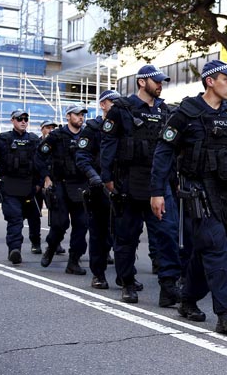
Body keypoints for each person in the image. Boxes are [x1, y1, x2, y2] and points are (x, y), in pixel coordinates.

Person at [150, 59, 227, 334]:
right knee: (216, 247)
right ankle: (226, 313)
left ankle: (187, 297)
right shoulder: (187, 112)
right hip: (198, 190)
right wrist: (157, 191)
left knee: (205, 252)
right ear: (210, 81)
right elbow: (164, 151)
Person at [100, 64, 181, 305]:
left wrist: (174, 181)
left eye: (161, 82)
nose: (160, 85)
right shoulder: (121, 109)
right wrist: (108, 179)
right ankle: (127, 282)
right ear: (142, 82)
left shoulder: (166, 111)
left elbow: (171, 150)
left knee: (167, 234)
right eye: (156, 81)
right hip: (129, 181)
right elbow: (108, 144)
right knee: (127, 237)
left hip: (159, 183)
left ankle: (168, 287)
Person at [0, 110, 42, 263]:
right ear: (12, 121)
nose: (23, 121)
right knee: (15, 218)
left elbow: (42, 164)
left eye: (26, 119)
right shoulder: (3, 139)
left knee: (32, 217)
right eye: (20, 119)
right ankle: (14, 249)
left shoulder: (34, 140)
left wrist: (40, 183)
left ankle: (36, 243)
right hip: (9, 186)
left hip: (29, 187)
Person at [37, 105, 90, 275]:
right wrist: (46, 176)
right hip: (60, 184)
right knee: (60, 224)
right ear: (68, 116)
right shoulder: (56, 136)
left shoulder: (87, 135)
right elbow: (39, 156)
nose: (80, 117)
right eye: (77, 114)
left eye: (82, 115)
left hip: (81, 185)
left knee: (81, 225)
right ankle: (51, 248)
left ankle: (73, 261)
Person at [76, 90, 121, 289]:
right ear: (103, 105)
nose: (117, 106)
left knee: (125, 234)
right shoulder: (93, 129)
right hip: (98, 189)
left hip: (121, 187)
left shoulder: (125, 126)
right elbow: (82, 158)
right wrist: (96, 178)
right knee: (99, 234)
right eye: (113, 102)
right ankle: (98, 274)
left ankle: (125, 275)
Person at [37, 120, 66, 256]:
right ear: (42, 129)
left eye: (52, 128)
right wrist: (44, 179)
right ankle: (35, 241)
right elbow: (37, 161)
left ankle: (56, 242)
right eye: (47, 128)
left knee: (57, 213)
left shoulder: (57, 141)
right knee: (35, 214)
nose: (50, 130)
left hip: (55, 182)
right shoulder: (39, 144)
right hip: (39, 182)